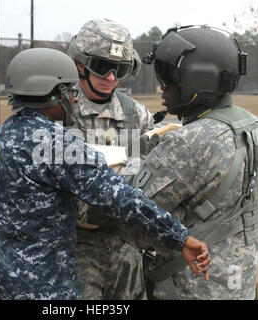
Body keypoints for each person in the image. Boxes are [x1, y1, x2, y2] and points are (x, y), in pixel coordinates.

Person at [0, 47, 211, 300]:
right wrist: (180, 237)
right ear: (54, 96)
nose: (76, 99)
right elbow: (120, 198)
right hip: (42, 285)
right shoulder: (54, 143)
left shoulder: (7, 132)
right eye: (71, 91)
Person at [135, 25, 258, 299]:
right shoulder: (255, 126)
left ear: (198, 81)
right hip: (239, 282)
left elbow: (137, 213)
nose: (163, 86)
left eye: (170, 77)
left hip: (190, 285)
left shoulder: (187, 142)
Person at [66, 18, 158, 300]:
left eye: (119, 69)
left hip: (125, 249)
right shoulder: (61, 112)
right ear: (79, 65)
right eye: (102, 67)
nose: (111, 78)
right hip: (72, 249)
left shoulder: (137, 116)